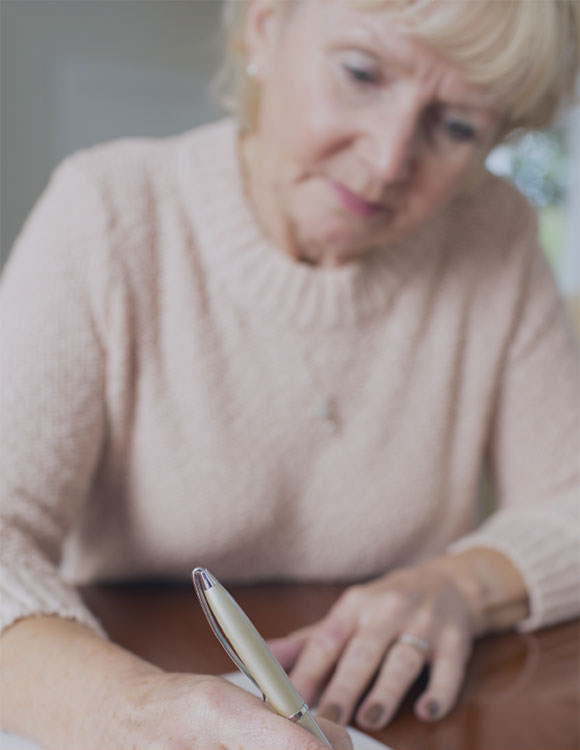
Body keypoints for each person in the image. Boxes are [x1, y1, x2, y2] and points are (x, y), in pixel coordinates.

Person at [1, 0, 579, 748]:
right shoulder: (107, 213)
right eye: (362, 74)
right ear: (265, 29)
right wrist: (129, 711)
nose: (386, 160)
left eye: (457, 126)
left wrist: (461, 585)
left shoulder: (496, 234)